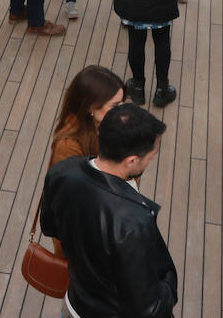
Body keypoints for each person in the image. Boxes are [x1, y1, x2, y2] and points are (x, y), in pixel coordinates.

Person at [41, 104, 177, 318]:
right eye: (151, 155)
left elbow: (49, 226)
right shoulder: (133, 222)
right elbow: (149, 308)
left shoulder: (62, 172)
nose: (151, 159)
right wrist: (168, 281)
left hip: (76, 305)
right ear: (131, 160)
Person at [45, 65, 125, 256]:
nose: (122, 112)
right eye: (115, 106)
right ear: (91, 107)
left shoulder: (105, 127)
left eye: (122, 103)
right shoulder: (68, 146)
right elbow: (76, 201)